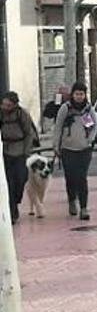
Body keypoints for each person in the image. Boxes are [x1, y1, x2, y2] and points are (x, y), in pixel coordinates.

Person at [53, 82, 97, 221]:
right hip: (67, 148)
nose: (79, 97)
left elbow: (93, 126)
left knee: (82, 178)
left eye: (82, 94)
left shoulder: (87, 109)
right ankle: (72, 200)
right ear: (72, 94)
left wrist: (90, 139)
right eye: (77, 94)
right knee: (70, 177)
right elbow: (58, 127)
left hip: (84, 148)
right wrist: (56, 145)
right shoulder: (65, 109)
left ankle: (83, 208)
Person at [1, 91, 37, 224]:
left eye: (8, 105)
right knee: (9, 182)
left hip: (20, 150)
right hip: (5, 150)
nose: (5, 107)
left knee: (21, 179)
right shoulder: (1, 114)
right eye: (4, 104)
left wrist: (26, 151)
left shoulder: (22, 114)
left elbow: (29, 133)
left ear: (15, 105)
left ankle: (16, 199)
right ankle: (12, 211)